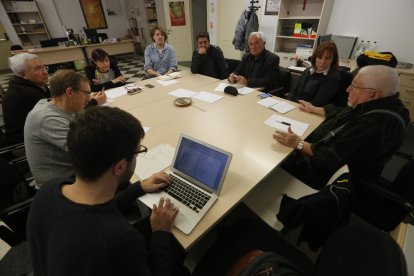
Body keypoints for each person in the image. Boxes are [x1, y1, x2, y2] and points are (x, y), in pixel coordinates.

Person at [27, 106, 188, 275]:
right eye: (137, 152)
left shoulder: (49, 190)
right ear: (119, 166)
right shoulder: (119, 242)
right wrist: (161, 232)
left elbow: (93, 210)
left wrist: (139, 187)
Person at [273, 65, 410, 190]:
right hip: (334, 154)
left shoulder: (374, 124)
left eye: (355, 86)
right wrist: (316, 109)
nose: (348, 89)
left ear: (374, 94)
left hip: (334, 177)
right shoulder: (387, 103)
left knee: (275, 160)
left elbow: (328, 159)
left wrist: (299, 143)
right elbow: (345, 112)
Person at [24, 70, 106, 187]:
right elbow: (90, 151)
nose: (89, 98)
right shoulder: (46, 118)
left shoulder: (57, 105)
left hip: (75, 167)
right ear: (70, 92)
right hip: (61, 183)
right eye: (86, 93)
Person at [2, 53, 50, 144]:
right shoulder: (26, 93)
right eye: (38, 68)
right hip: (24, 144)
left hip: (36, 134)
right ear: (23, 74)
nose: (45, 72)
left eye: (44, 67)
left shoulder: (31, 84)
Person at [287, 41, 341, 106]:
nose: (322, 62)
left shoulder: (333, 78)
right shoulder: (308, 71)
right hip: (294, 106)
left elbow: (317, 103)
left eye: (327, 58)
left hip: (309, 111)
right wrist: (288, 103)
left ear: (333, 59)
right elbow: (294, 92)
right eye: (320, 58)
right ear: (315, 57)